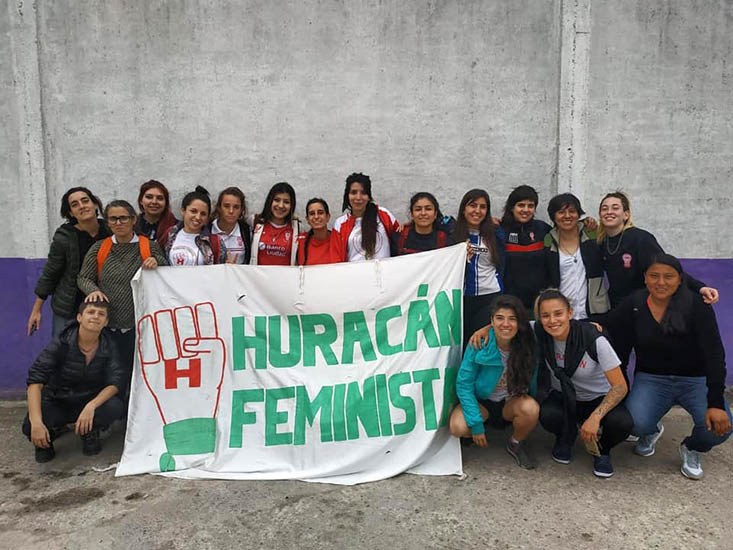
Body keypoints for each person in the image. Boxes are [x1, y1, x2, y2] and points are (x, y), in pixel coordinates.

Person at [595, 254, 731, 479]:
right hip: (652, 379)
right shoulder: (635, 304)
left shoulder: (697, 305)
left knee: (719, 428)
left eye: (668, 276)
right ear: (645, 278)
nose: (661, 282)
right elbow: (608, 323)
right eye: (654, 276)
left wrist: (715, 402)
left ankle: (692, 448)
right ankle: (651, 427)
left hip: (695, 381)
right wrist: (577, 324)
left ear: (680, 280)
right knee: (634, 424)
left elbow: (715, 355)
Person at [535, 289, 632, 478]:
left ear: (570, 313)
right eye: (545, 315)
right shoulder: (539, 330)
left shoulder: (593, 338)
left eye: (558, 313)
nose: (552, 321)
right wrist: (485, 330)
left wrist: (596, 417)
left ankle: (602, 450)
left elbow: (620, 387)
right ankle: (566, 436)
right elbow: (510, 323)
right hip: (565, 397)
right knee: (547, 414)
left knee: (622, 423)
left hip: (598, 398)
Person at [78, 200, 167, 394]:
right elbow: (84, 277)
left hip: (141, 325)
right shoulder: (99, 248)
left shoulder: (148, 246)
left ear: (133, 219)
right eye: (113, 219)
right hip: (108, 326)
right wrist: (92, 290)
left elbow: (165, 272)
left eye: (123, 218)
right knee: (111, 372)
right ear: (108, 222)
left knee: (140, 373)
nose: (118, 223)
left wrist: (157, 261)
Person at [22, 301, 125, 462]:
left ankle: (89, 432)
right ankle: (44, 441)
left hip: (87, 400)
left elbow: (116, 382)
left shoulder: (109, 344)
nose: (96, 317)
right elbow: (35, 381)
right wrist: (36, 423)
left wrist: (91, 406)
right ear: (79, 317)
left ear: (105, 322)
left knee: (115, 406)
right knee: (30, 425)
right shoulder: (61, 343)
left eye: (101, 314)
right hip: (58, 400)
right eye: (91, 312)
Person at [450, 295, 540, 469]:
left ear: (520, 322)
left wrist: (530, 416)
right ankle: (479, 429)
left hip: (510, 402)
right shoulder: (479, 342)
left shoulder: (527, 344)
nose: (505, 324)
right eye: (499, 318)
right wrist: (476, 425)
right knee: (457, 426)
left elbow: (533, 380)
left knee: (531, 408)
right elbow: (464, 383)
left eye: (512, 319)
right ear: (491, 320)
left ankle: (515, 442)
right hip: (482, 402)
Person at [597, 191, 718, 308]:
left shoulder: (641, 239)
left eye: (615, 208)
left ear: (626, 214)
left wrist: (700, 288)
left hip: (642, 307)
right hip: (616, 307)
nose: (609, 212)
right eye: (604, 208)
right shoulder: (600, 241)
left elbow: (667, 268)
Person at [27, 188, 110, 339]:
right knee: (62, 353)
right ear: (71, 213)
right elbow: (50, 273)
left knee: (101, 356)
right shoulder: (64, 237)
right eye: (75, 204)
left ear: (95, 204)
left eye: (85, 201)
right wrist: (36, 310)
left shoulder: (110, 230)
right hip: (69, 307)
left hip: (103, 305)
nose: (82, 206)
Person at [452, 189, 505, 348]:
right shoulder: (452, 234)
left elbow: (502, 264)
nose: (477, 211)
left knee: (481, 344)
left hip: (490, 296)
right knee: (462, 344)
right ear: (463, 209)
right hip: (462, 298)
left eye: (483, 207)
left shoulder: (496, 233)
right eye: (472, 205)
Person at [544, 193, 609, 319]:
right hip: (562, 314)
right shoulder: (547, 242)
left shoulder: (591, 236)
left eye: (572, 211)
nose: (567, 216)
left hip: (594, 310)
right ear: (553, 217)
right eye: (561, 212)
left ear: (578, 214)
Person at [499, 185, 552, 313]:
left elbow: (567, 231)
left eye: (530, 206)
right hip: (509, 303)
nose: (526, 210)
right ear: (512, 207)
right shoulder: (500, 230)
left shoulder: (543, 229)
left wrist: (585, 223)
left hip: (538, 303)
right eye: (521, 205)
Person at [332, 173, 399, 262]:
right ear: (347, 195)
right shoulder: (339, 224)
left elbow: (401, 241)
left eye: (363, 193)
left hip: (382, 274)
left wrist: (410, 224)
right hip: (354, 275)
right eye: (353, 192)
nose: (358, 197)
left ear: (369, 196)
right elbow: (336, 259)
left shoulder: (384, 215)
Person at [164, 186, 228, 266]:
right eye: (193, 211)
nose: (198, 217)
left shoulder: (215, 242)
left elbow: (221, 271)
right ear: (183, 211)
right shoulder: (170, 234)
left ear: (208, 218)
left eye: (203, 214)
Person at [250, 182, 299, 265]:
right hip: (257, 277)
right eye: (277, 200)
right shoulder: (255, 221)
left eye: (286, 202)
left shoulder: (298, 228)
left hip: (286, 277)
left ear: (292, 205)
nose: (280, 205)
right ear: (270, 201)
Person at [209, 186, 252, 264]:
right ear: (219, 207)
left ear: (242, 210)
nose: (231, 211)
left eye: (236, 207)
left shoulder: (246, 231)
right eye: (226, 206)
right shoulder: (208, 229)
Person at [135, 179, 178, 247]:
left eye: (160, 198)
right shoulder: (133, 225)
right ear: (141, 200)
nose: (154, 202)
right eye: (149, 197)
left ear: (166, 203)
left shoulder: (176, 227)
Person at [297, 198, 337, 266]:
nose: (316, 217)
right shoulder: (299, 241)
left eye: (320, 213)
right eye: (312, 213)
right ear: (307, 219)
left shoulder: (338, 240)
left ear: (328, 217)